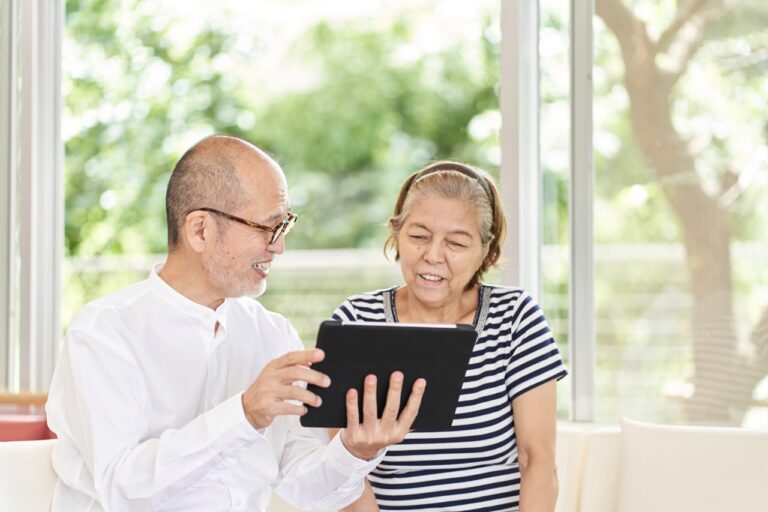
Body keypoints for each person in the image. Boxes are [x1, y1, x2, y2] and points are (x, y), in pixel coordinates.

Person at [45, 135, 426, 512]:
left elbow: (305, 489)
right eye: (267, 227)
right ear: (200, 230)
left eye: (285, 226)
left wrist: (355, 450)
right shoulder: (104, 333)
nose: (279, 247)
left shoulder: (273, 334)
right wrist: (244, 415)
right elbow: (124, 490)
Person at [331, 161, 567, 512]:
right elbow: (343, 474)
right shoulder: (355, 321)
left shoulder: (516, 318)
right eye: (418, 237)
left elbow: (538, 462)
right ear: (397, 233)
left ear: (486, 251)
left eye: (456, 243)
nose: (433, 256)